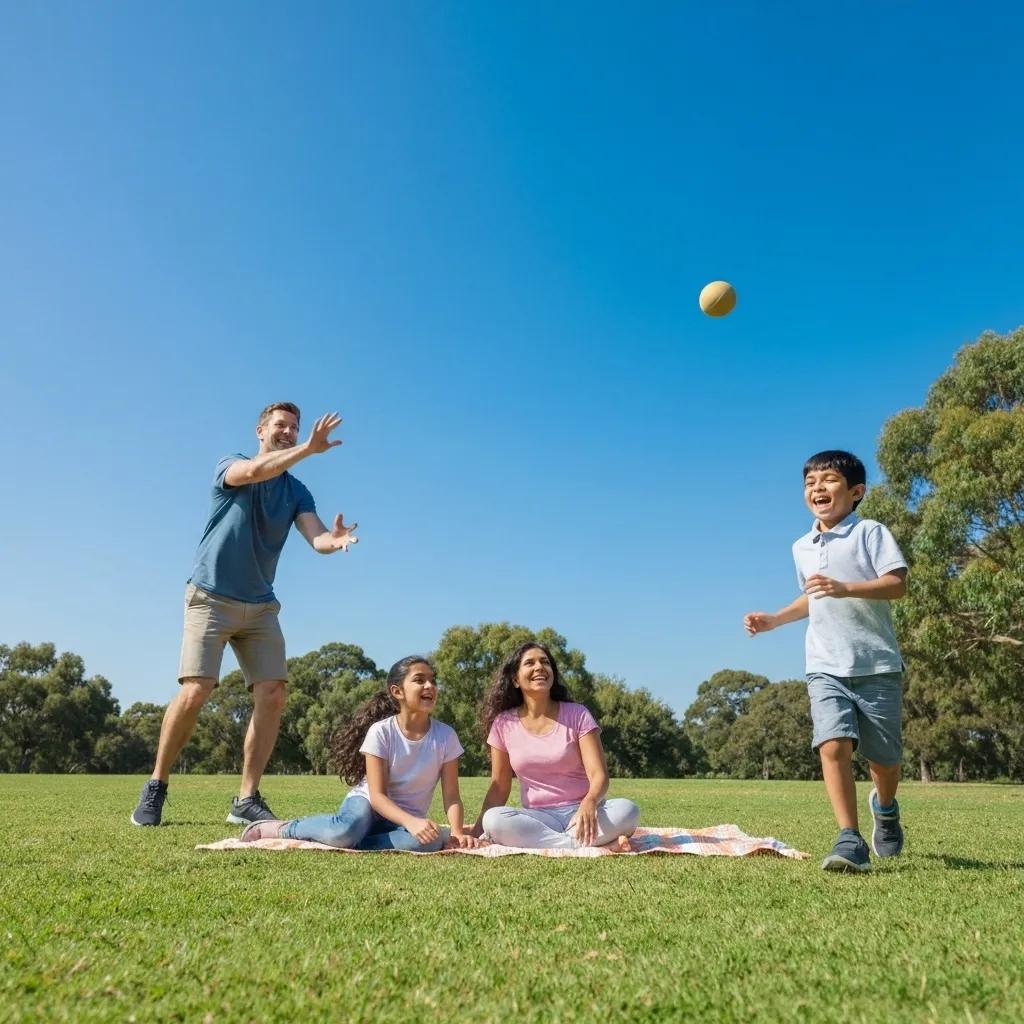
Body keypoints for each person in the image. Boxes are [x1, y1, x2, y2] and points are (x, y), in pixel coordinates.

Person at [131, 402, 358, 827]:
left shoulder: (296, 492)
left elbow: (317, 538)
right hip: (210, 597)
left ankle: (246, 798)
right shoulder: (230, 465)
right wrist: (309, 448)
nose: (289, 432)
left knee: (273, 693)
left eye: (295, 428)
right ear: (261, 430)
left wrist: (335, 539)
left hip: (260, 606)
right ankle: (157, 785)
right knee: (197, 689)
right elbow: (255, 473)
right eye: (281, 425)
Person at [743, 450, 908, 873]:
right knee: (833, 744)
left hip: (876, 665)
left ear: (856, 492)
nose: (817, 488)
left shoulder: (870, 532)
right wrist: (776, 619)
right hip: (824, 663)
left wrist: (845, 587)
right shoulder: (801, 546)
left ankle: (885, 808)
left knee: (883, 761)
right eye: (810, 482)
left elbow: (895, 584)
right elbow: (813, 596)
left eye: (829, 480)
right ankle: (849, 838)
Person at [241, 656, 477, 851]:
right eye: (419, 680)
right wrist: (411, 822)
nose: (430, 686)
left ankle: (354, 844)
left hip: (404, 820)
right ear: (397, 691)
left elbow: (452, 796)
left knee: (433, 841)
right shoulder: (381, 732)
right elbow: (378, 797)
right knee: (346, 830)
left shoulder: (446, 736)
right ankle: (286, 828)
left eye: (432, 681)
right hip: (368, 805)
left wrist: (455, 834)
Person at [469, 642, 639, 850]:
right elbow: (499, 787)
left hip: (581, 812)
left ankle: (562, 842)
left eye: (545, 662)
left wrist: (590, 802)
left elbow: (599, 776)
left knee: (628, 810)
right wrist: (476, 832)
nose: (539, 667)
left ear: (552, 673)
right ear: (515, 679)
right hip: (539, 818)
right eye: (529, 663)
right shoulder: (503, 724)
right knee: (494, 820)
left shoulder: (578, 714)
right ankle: (592, 844)